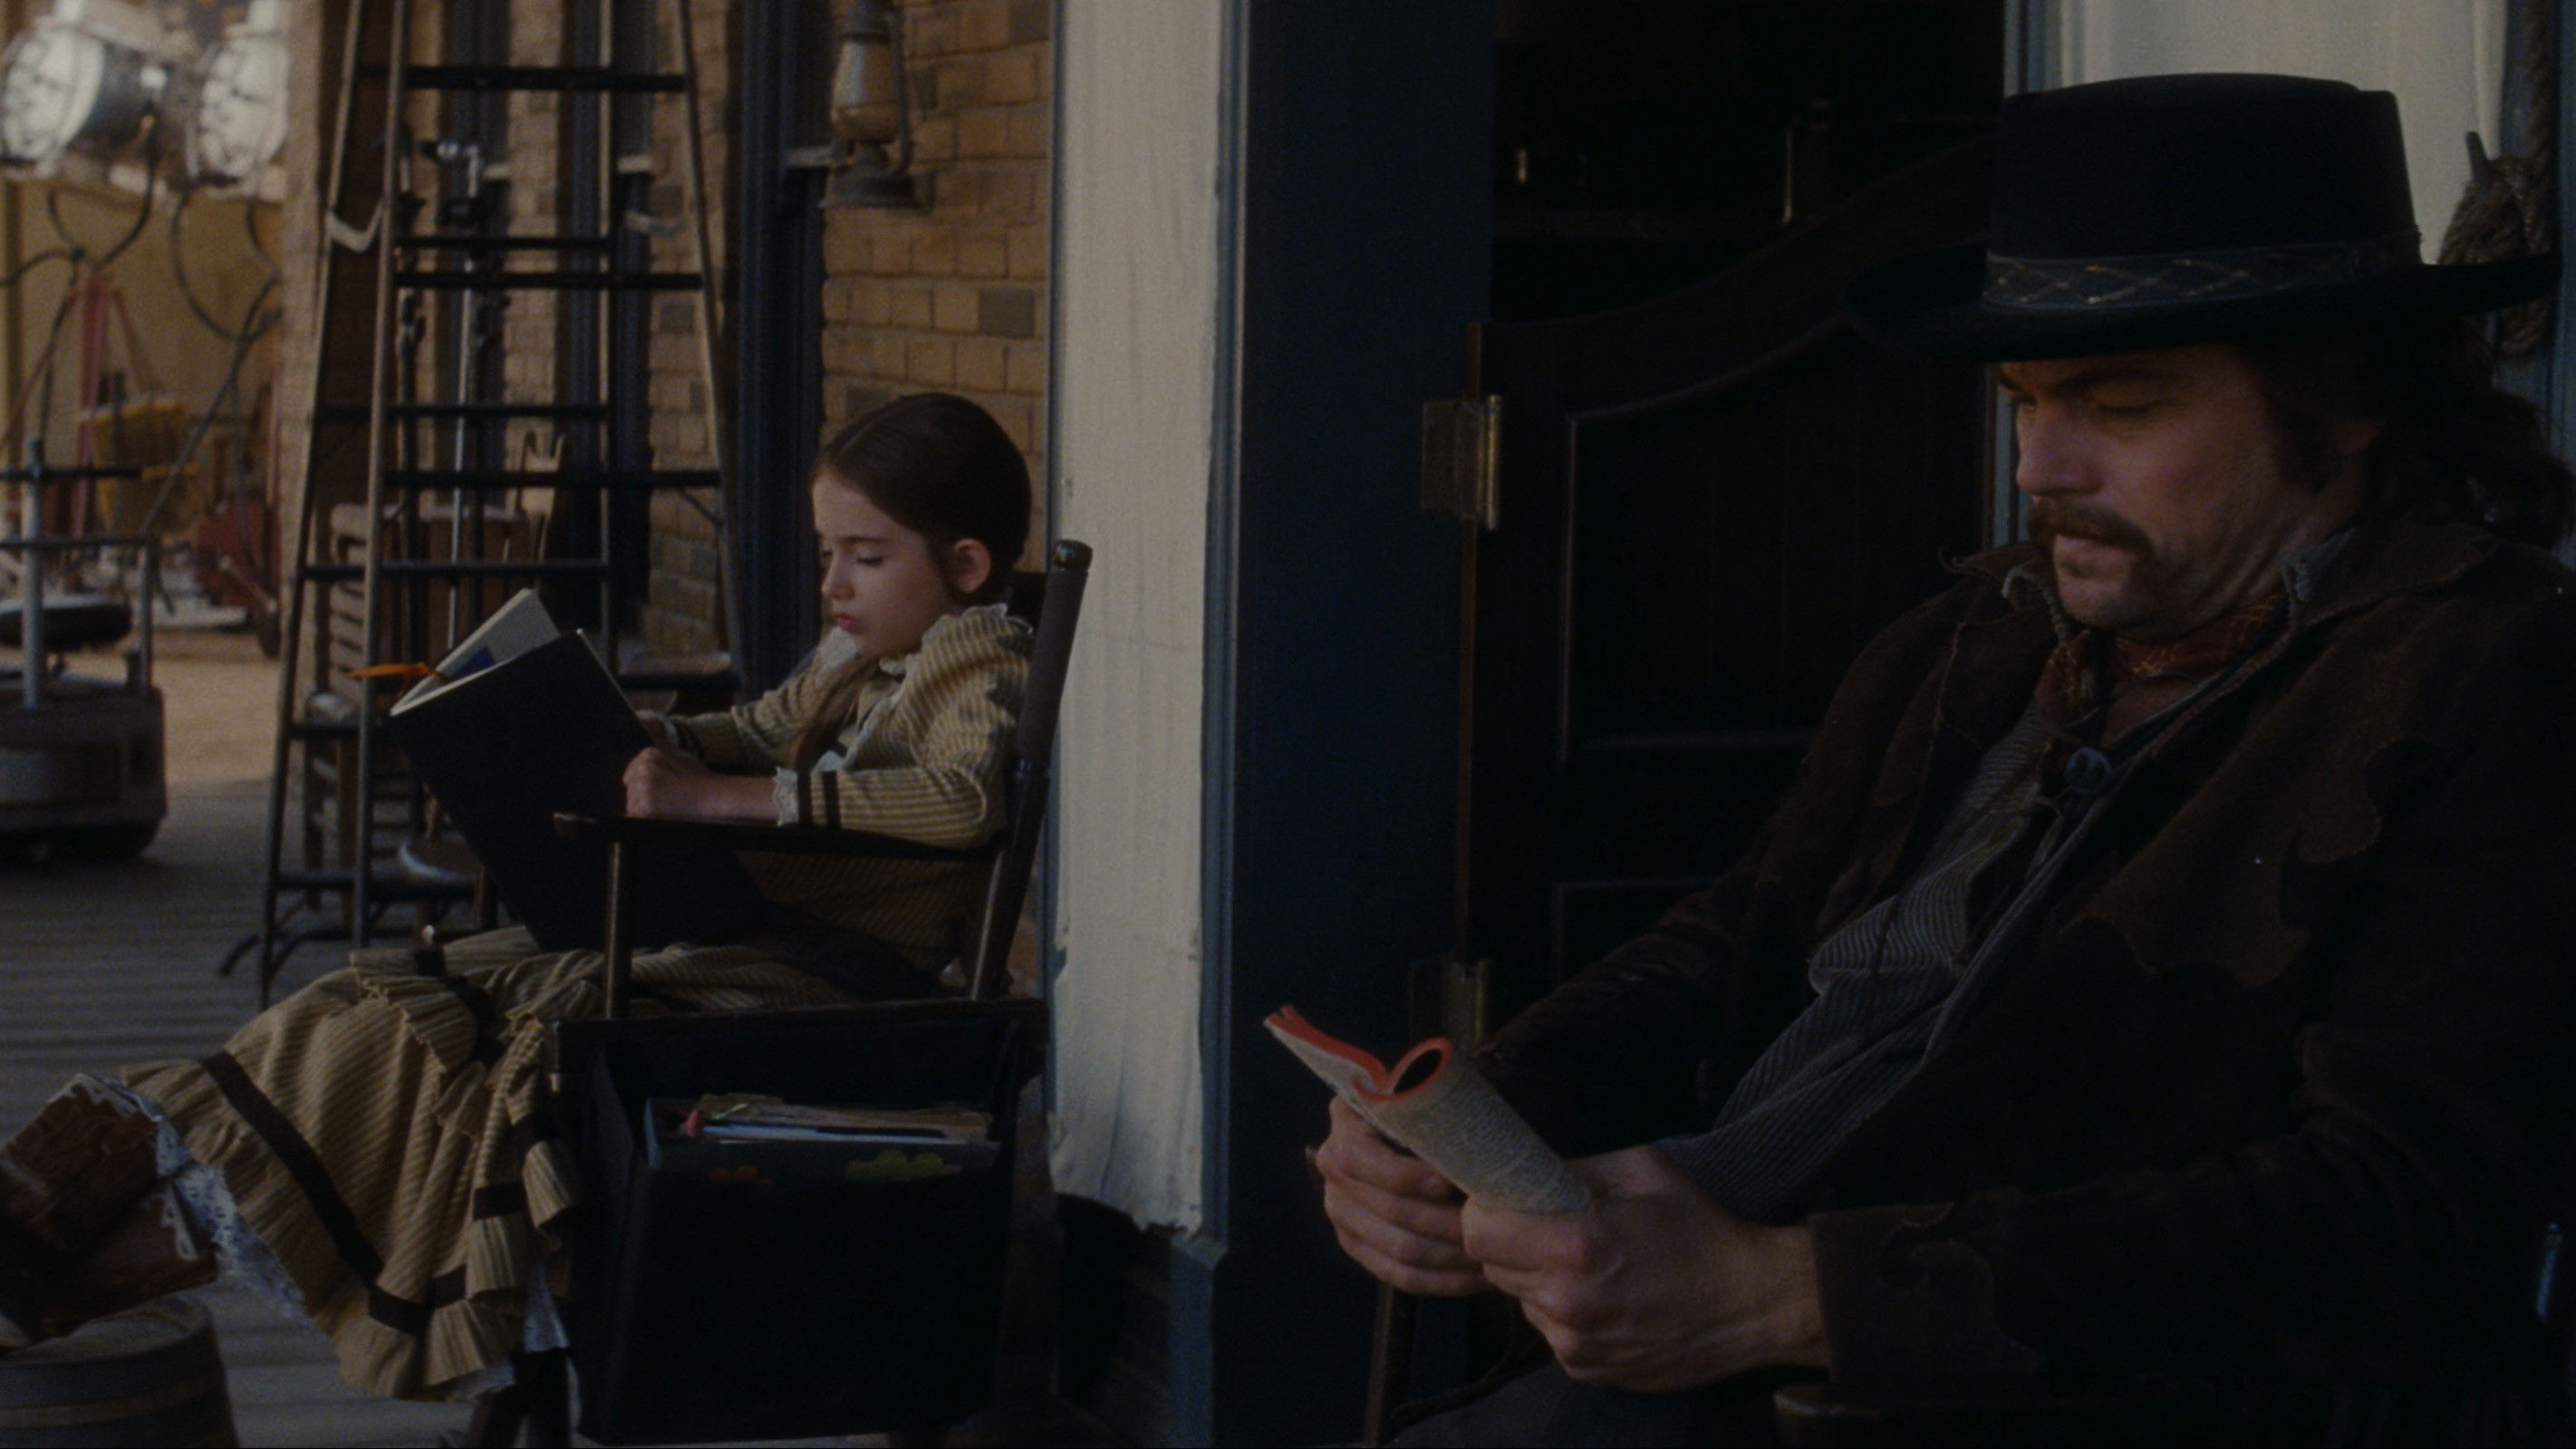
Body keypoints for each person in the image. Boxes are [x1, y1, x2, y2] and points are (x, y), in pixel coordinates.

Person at [1318, 74, 2576, 1444]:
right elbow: (1740, 941)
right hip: (1719, 1351)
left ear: (2342, 403)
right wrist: (1479, 1115)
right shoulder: (1976, 641)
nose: (2039, 467)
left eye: (2121, 405)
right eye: (2023, 400)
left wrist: (1787, 1296)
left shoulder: (2488, 673)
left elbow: (2402, 1211)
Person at [0, 391, 1035, 1400]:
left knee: (460, 1036)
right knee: (368, 1002)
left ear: (965, 566)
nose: (834, 583)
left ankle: (42, 1277)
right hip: (731, 939)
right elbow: (764, 728)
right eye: (825, 553)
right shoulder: (863, 656)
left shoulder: (976, 656)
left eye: (866, 556)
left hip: (818, 977)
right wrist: (653, 736)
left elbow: (961, 801)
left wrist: (716, 798)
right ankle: (29, 1241)